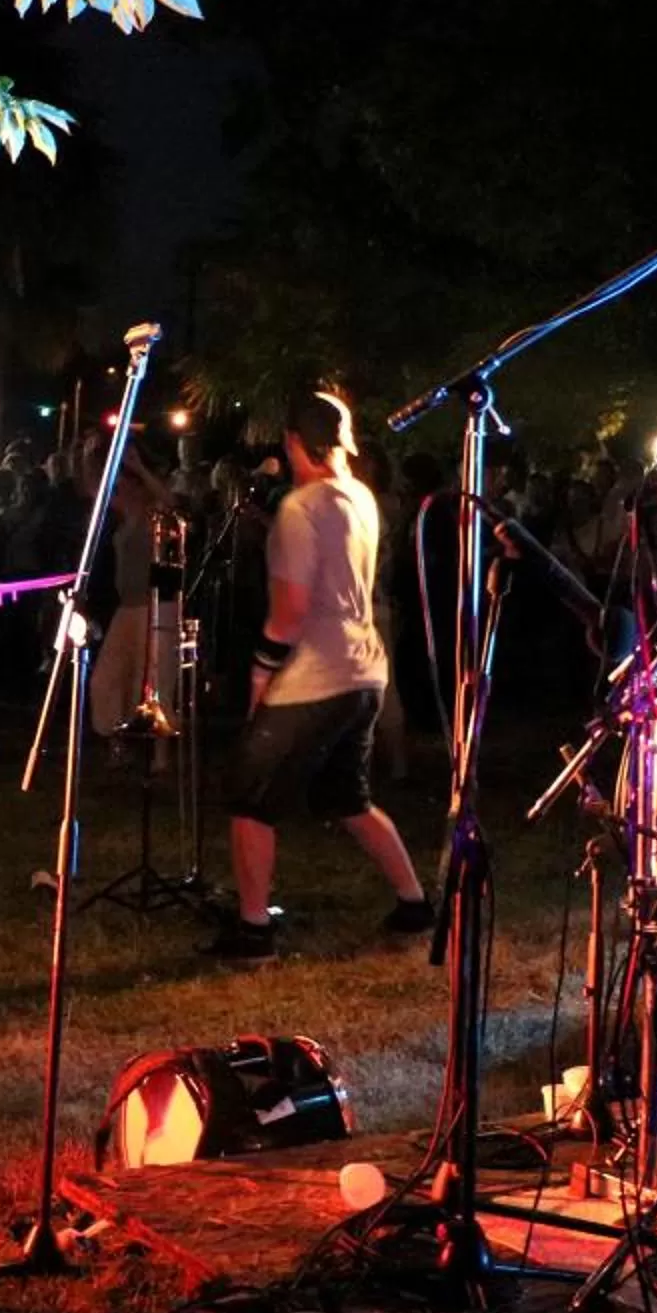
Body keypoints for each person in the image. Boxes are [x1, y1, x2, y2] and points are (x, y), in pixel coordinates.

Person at [207, 392, 431, 963]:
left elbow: (289, 612)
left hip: (316, 675)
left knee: (249, 793)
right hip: (364, 670)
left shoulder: (301, 509)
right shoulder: (360, 496)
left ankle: (253, 931)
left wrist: (260, 674)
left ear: (289, 442)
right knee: (345, 795)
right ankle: (414, 904)